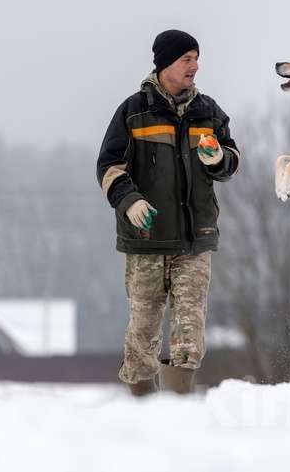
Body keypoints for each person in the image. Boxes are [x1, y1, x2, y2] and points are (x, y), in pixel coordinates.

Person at [96, 30, 240, 396]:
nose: (195, 66)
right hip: (146, 239)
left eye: (196, 57)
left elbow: (230, 160)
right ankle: (141, 407)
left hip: (195, 239)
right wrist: (130, 201)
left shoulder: (208, 111)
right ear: (164, 65)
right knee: (143, 329)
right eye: (186, 59)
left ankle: (178, 405)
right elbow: (110, 167)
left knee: (189, 331)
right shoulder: (133, 111)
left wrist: (220, 159)